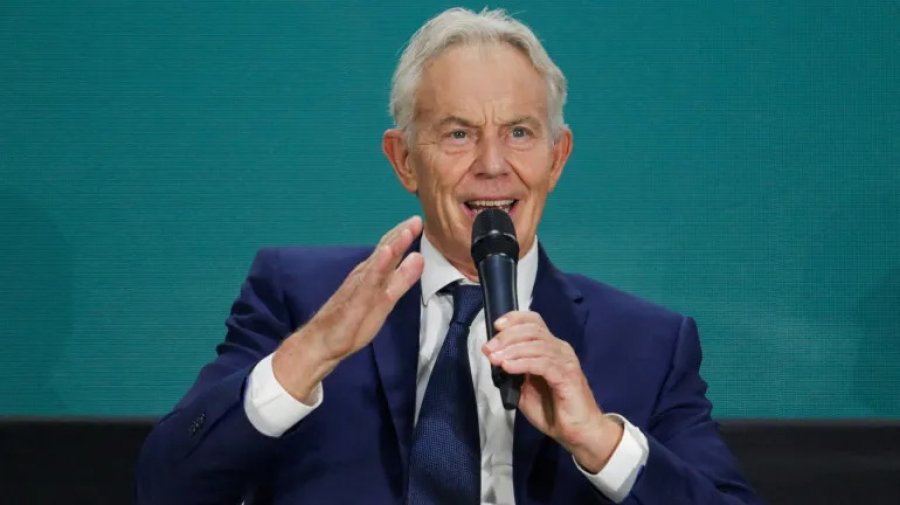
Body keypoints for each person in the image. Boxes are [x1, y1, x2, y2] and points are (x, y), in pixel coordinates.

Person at [136, 8, 760, 505]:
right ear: (404, 160)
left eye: (519, 133)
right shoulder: (298, 296)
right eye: (458, 134)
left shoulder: (650, 344)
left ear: (557, 157)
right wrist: (310, 353)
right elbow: (166, 487)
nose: (492, 165)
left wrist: (599, 440)